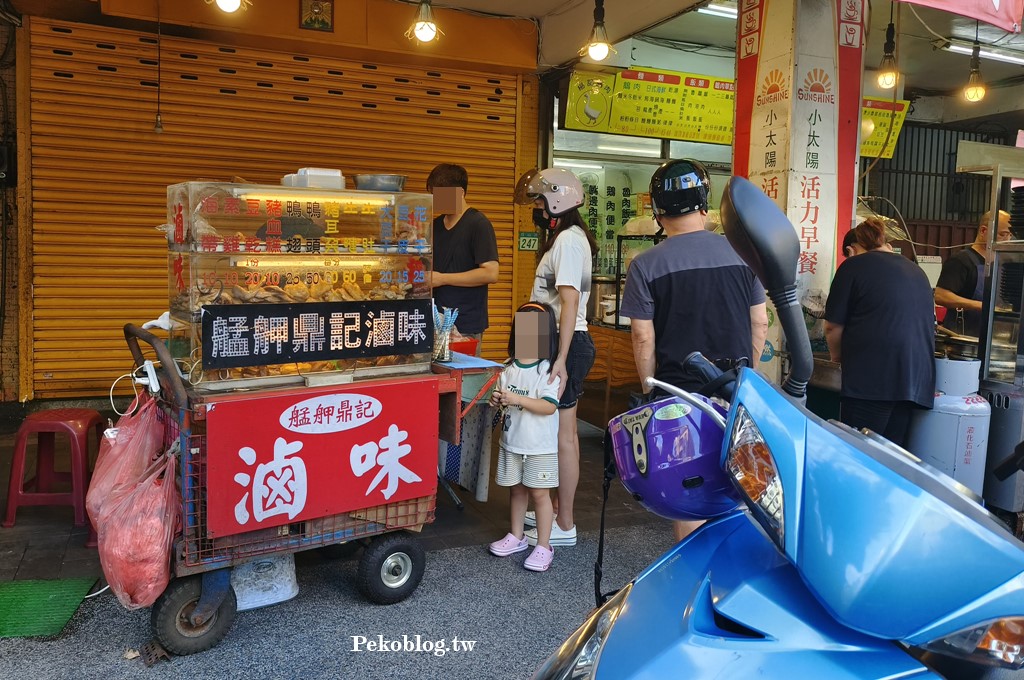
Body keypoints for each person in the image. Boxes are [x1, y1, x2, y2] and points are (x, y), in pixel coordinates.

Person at [619, 159, 768, 543]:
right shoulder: (744, 255)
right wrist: (746, 375)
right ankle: (734, 572)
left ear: (657, 210)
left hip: (677, 394)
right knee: (739, 476)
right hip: (736, 390)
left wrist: (650, 387)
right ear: (705, 204)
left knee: (691, 486)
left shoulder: (646, 265)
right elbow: (760, 323)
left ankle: (697, 579)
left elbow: (642, 337)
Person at [513, 167, 597, 549]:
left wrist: (560, 360)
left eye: (538, 201)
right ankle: (551, 508)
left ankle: (564, 522)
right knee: (552, 432)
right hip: (544, 338)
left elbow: (569, 302)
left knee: (563, 436)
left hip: (564, 342)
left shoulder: (568, 242)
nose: (535, 209)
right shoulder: (563, 238)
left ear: (557, 202)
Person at [824, 217, 935, 448]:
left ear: (850, 250)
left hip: (872, 379)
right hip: (914, 380)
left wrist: (838, 358)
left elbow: (832, 327)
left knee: (859, 453)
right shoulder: (916, 270)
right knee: (891, 457)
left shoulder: (853, 266)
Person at [487, 302, 561, 572]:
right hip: (512, 443)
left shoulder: (548, 370)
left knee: (540, 494)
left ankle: (544, 545)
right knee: (516, 490)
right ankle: (517, 536)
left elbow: (549, 406)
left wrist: (517, 398)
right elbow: (503, 402)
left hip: (540, 447)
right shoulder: (507, 369)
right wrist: (497, 400)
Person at [427, 163, 499, 353]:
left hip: (466, 323)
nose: (435, 202)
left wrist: (442, 278)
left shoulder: (478, 224)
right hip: (435, 320)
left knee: (463, 380)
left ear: (460, 193)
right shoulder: (434, 225)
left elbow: (491, 273)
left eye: (440, 196)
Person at [934, 210, 1012, 337]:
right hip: (963, 341)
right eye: (1003, 234)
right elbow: (941, 296)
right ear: (983, 231)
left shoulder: (1005, 264)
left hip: (996, 340)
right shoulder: (961, 260)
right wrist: (982, 306)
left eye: (1010, 235)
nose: (1007, 240)